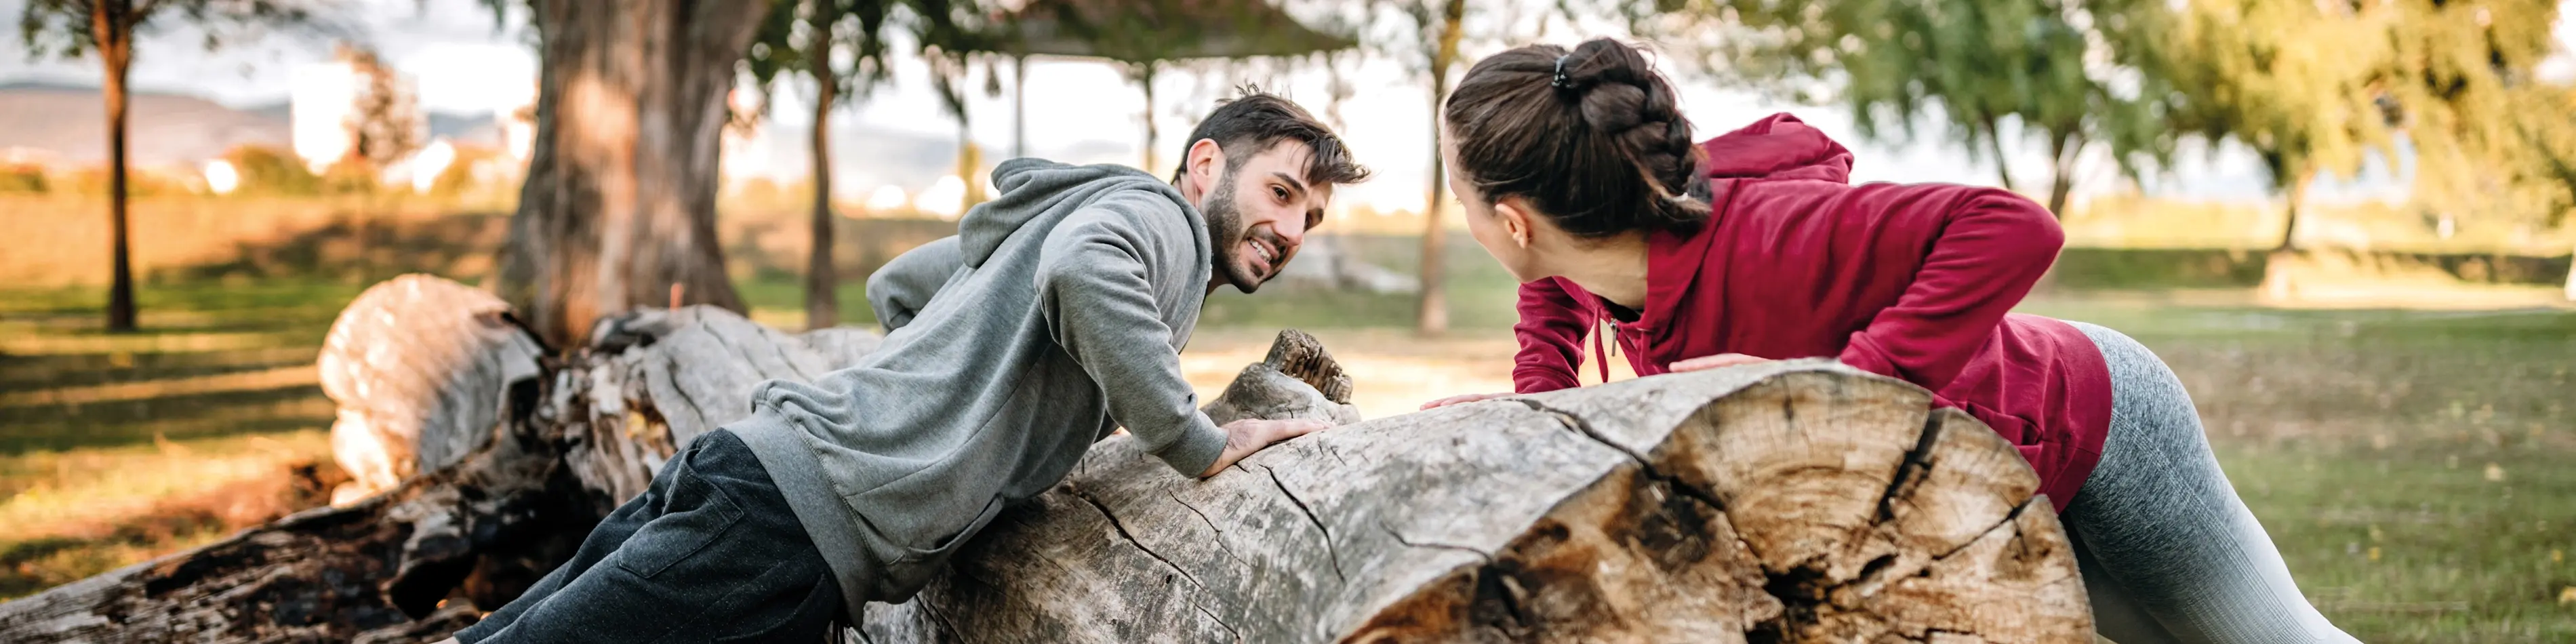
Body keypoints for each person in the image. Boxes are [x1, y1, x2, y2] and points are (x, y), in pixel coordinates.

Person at [1420, 39, 2358, 644]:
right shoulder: (1596, 239)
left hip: (2091, 424)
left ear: (1507, 220)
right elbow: (1556, 284)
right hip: (1971, 493)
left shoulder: (1766, 237)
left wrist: (1838, 392)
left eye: (1459, 196)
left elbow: (2014, 227)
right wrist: (1540, 407)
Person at [442, 91, 1371, 643]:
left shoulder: (1090, 205)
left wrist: (953, 397)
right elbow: (1086, 275)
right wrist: (1196, 440)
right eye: (1280, 193)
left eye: (1310, 219)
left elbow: (906, 283)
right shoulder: (1163, 227)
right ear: (1205, 165)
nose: (1289, 231)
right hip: (790, 528)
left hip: (753, 467)